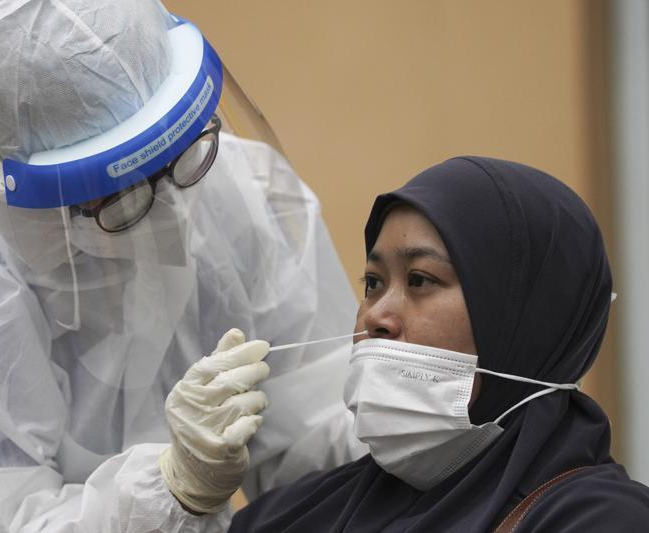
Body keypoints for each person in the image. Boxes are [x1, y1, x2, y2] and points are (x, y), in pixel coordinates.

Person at [0, 1, 364, 531]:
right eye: (119, 193)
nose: (168, 214)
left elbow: (320, 442)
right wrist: (167, 494)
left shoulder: (243, 193)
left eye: (181, 154)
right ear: (37, 194)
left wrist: (404, 420)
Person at [226, 156, 649, 532]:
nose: (375, 316)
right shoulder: (295, 513)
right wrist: (184, 502)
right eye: (373, 283)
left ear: (524, 318)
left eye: (420, 280)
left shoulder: (597, 519)